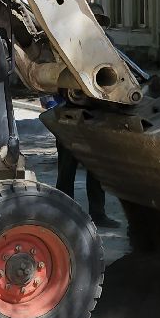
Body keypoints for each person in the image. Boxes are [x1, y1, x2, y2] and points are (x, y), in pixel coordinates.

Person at [41, 94, 118, 228]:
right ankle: (64, 213)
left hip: (95, 122)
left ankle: (98, 214)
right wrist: (52, 105)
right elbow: (48, 92)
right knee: (66, 172)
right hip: (68, 121)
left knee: (96, 173)